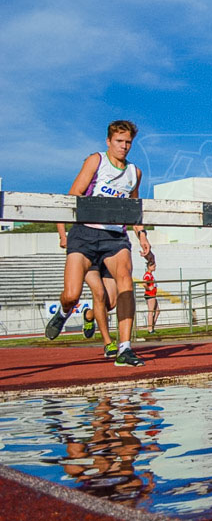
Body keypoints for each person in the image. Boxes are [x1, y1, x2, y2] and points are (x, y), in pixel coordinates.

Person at [48, 120, 151, 368]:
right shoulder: (96, 161)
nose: (124, 146)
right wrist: (62, 233)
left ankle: (124, 348)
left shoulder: (134, 172)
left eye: (128, 142)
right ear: (109, 141)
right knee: (71, 294)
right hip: (84, 233)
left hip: (114, 237)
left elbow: (133, 209)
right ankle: (63, 312)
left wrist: (142, 235)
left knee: (125, 283)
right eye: (119, 141)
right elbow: (71, 198)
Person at [143, 259, 159, 334]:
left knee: (157, 311)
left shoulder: (150, 275)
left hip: (153, 295)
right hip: (150, 295)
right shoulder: (148, 275)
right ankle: (150, 329)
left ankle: (152, 326)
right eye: (154, 266)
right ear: (149, 266)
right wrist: (149, 288)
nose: (155, 267)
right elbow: (144, 283)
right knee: (151, 311)